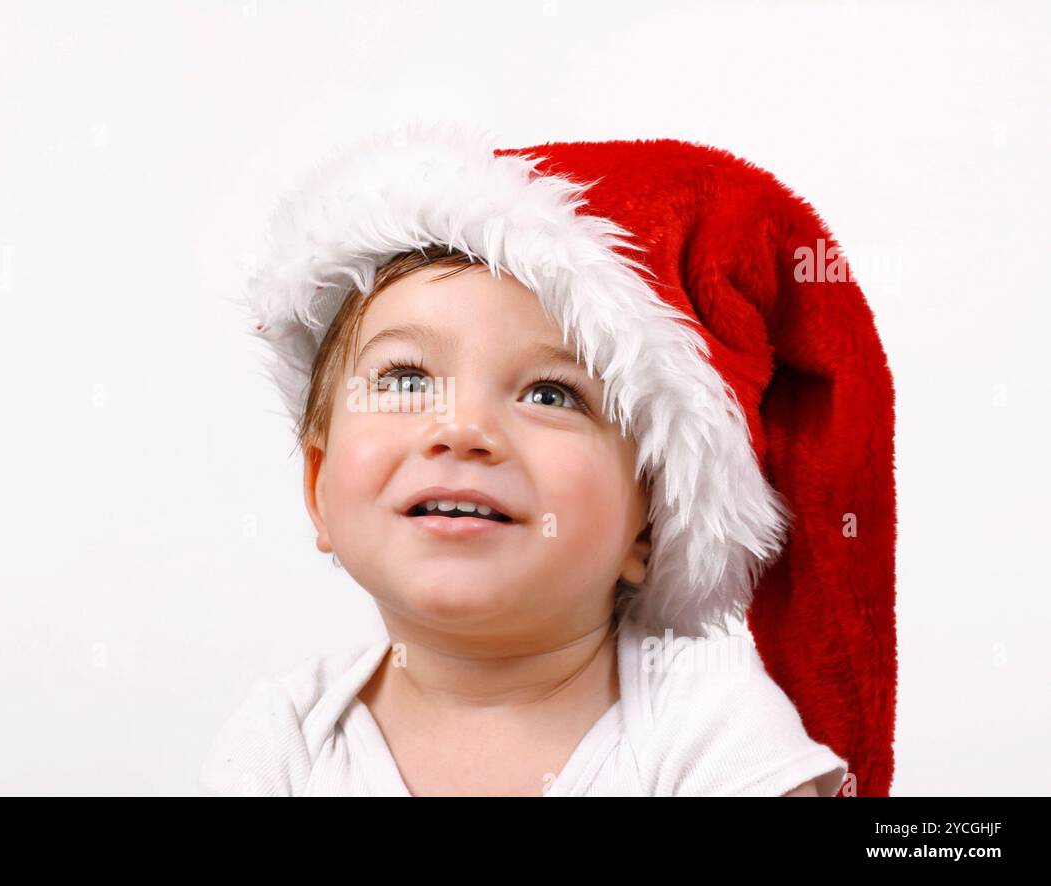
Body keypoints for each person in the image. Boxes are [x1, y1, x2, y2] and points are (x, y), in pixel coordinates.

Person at [199, 122, 895, 796]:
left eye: (551, 393)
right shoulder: (285, 741)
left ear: (651, 523)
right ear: (319, 487)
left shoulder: (708, 728)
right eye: (406, 379)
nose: (464, 428)